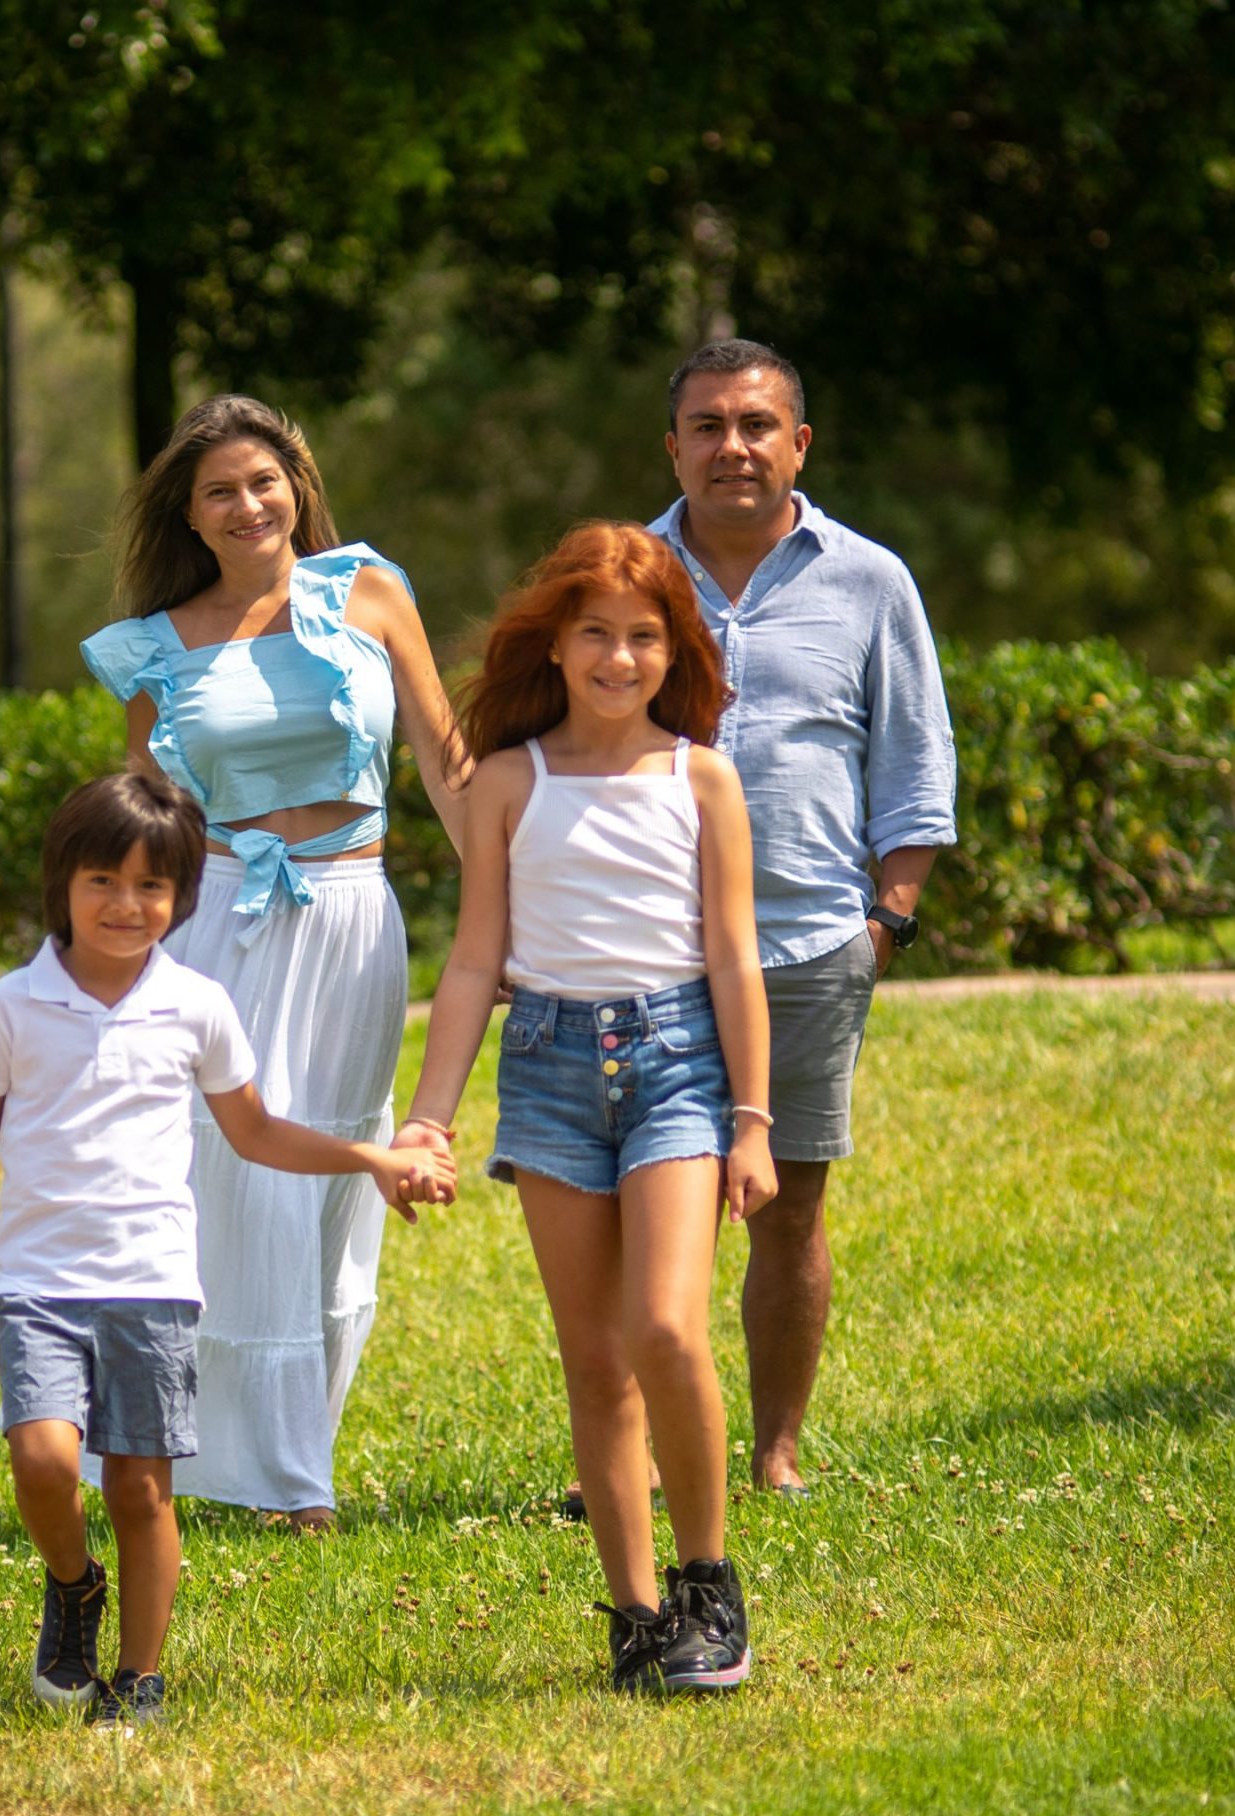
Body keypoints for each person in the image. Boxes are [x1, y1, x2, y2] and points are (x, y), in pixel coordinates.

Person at [0, 773, 453, 1726]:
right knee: (46, 1462)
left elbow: (256, 1133)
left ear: (183, 898)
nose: (126, 906)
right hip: (39, 1285)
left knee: (140, 1487)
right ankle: (74, 1583)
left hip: (154, 1286)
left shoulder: (197, 1005)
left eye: (152, 887)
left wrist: (372, 1157)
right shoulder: (12, 1005)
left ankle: (138, 1681)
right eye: (103, 881)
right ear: (63, 884)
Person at [392, 521, 779, 1693]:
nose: (620, 659)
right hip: (551, 1065)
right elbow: (472, 964)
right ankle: (636, 1614)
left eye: (645, 638)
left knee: (667, 1329)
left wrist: (753, 1119)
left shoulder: (701, 777)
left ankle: (711, 1585)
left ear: (677, 651)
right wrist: (428, 1116)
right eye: (597, 635)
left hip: (677, 1064)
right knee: (595, 1359)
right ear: (554, 644)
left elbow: (733, 958)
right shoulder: (509, 783)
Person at [79, 396, 469, 1528]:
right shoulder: (155, 646)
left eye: (264, 481)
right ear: (189, 517)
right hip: (221, 930)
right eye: (219, 492)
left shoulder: (370, 592)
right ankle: (280, 1480)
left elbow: (447, 768)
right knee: (236, 1181)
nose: (248, 505)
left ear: (297, 483)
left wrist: (512, 904)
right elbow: (144, 828)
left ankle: (294, 1442)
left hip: (355, 920)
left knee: (340, 1178)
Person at [647, 338, 957, 1496]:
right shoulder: (623, 578)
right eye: (709, 426)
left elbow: (916, 765)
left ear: (799, 443)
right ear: (671, 447)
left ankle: (772, 1453)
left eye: (757, 425)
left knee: (788, 1204)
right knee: (648, 1212)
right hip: (648, 951)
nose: (734, 447)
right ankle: (633, 1456)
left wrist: (887, 922)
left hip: (811, 951)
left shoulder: (871, 582)